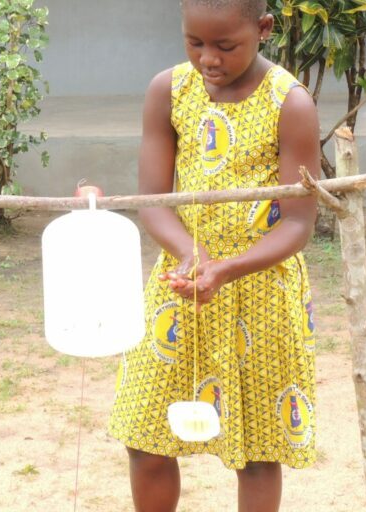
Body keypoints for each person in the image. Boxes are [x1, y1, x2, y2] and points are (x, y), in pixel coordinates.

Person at [107, 0, 321, 510]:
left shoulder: (290, 103)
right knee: (146, 434)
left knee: (257, 449)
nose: (208, 59)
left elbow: (297, 221)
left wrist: (227, 268)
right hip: (181, 285)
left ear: (264, 29)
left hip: (262, 290)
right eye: (194, 42)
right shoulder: (168, 90)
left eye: (226, 46)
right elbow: (153, 201)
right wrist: (191, 255)